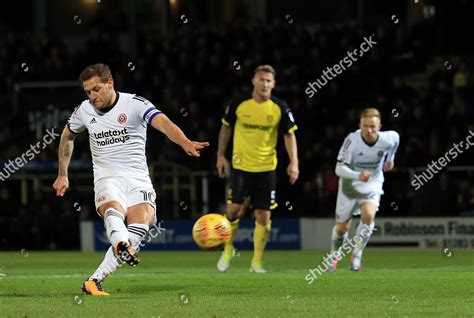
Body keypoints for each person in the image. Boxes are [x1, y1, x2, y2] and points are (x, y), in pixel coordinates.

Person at [52, 63, 209, 296]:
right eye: (88, 92)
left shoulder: (135, 104)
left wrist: (184, 141)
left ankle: (94, 281)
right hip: (107, 177)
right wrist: (62, 174)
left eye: (96, 89)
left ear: (110, 83)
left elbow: (163, 123)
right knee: (112, 210)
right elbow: (67, 137)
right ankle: (121, 243)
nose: (92, 96)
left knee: (142, 225)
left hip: (138, 179)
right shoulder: (84, 111)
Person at [215, 64, 299, 273]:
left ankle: (256, 262)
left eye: (269, 81)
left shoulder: (280, 107)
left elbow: (289, 135)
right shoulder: (239, 103)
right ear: (254, 81)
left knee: (263, 216)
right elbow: (226, 127)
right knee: (233, 209)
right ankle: (228, 249)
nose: (265, 84)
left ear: (274, 84)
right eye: (261, 79)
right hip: (241, 166)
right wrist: (220, 155)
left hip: (266, 168)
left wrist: (294, 162)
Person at [328, 108, 399, 271]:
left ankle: (357, 254)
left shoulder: (387, 138)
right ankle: (334, 255)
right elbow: (338, 169)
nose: (369, 130)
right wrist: (357, 175)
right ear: (360, 124)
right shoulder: (352, 141)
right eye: (365, 126)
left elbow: (396, 140)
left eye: (373, 126)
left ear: (379, 126)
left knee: (368, 214)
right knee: (342, 228)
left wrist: (391, 158)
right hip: (350, 185)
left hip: (372, 183)